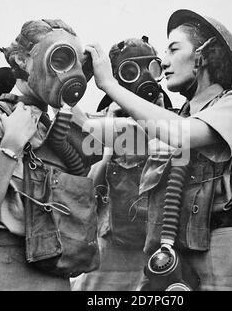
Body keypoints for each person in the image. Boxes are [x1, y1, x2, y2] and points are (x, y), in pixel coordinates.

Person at [82, 9, 232, 290]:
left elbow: (180, 134)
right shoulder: (174, 118)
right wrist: (71, 80)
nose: (164, 62)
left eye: (174, 49)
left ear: (205, 55)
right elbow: (92, 131)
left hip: (224, 246)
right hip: (176, 250)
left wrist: (109, 83)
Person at [0, 19, 96, 290]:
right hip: (0, 271)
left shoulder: (59, 129)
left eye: (77, 63)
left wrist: (101, 82)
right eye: (61, 58)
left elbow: (109, 151)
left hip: (57, 270)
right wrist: (10, 148)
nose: (71, 72)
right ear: (22, 60)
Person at [72, 37, 172, 291]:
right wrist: (111, 143)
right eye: (130, 72)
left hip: (159, 247)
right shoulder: (101, 123)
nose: (143, 79)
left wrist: (157, 127)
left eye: (152, 69)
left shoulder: (174, 121)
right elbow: (89, 188)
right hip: (113, 247)